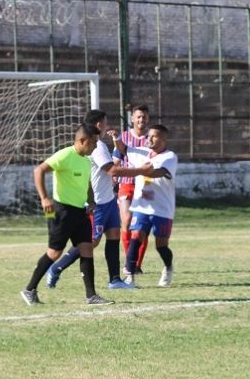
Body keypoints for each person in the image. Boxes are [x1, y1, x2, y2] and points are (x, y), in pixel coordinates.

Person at [45, 110, 146, 290]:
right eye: (105, 123)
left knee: (114, 235)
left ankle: (115, 279)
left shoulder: (100, 145)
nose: (106, 126)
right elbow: (112, 170)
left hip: (109, 199)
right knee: (91, 242)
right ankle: (55, 268)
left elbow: (112, 167)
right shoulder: (97, 146)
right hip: (97, 202)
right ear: (99, 125)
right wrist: (141, 170)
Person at [21, 124, 113, 306]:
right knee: (55, 252)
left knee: (87, 248)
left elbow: (87, 184)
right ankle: (29, 289)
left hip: (80, 212)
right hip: (60, 211)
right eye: (93, 142)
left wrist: (91, 201)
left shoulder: (86, 161)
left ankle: (91, 296)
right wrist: (44, 199)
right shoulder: (64, 155)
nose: (96, 146)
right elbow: (38, 170)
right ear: (82, 141)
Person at [113, 124, 178, 287]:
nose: (149, 138)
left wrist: (131, 171)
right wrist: (116, 138)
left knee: (161, 246)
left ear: (163, 139)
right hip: (141, 206)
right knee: (135, 238)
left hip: (162, 209)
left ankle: (168, 267)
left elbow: (157, 173)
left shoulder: (169, 157)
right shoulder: (142, 153)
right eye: (148, 135)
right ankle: (130, 276)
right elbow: (124, 149)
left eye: (154, 136)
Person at [114, 104, 151, 274]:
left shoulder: (152, 137)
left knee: (142, 226)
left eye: (144, 116)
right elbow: (117, 159)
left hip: (146, 185)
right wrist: (114, 174)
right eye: (138, 116)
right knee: (127, 221)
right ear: (132, 118)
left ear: (147, 118)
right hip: (127, 183)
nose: (141, 119)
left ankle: (137, 265)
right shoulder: (124, 137)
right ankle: (129, 261)